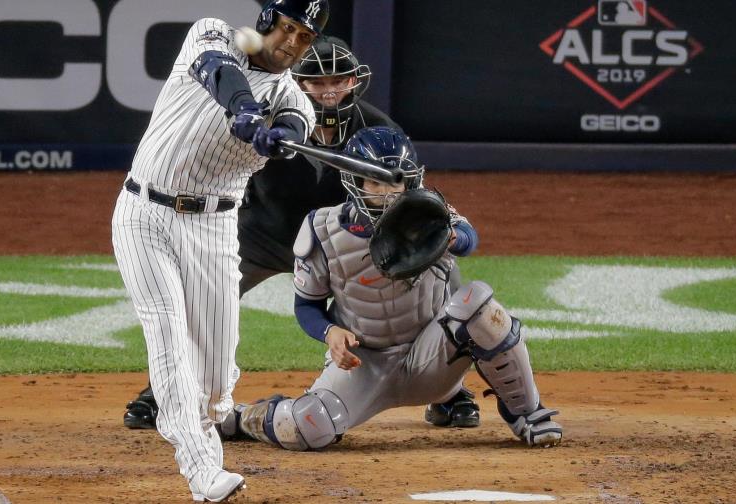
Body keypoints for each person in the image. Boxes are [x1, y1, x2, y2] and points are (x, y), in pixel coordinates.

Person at [123, 37, 481, 432]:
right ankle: (163, 391)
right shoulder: (271, 115)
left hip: (344, 240)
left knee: (436, 270)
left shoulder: (380, 129)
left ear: (354, 81)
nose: (329, 91)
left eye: (339, 80)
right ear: (297, 82)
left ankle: (451, 391)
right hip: (264, 233)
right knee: (200, 303)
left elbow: (408, 198)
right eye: (316, 82)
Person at [218, 126, 564, 452]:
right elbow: (306, 306)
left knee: (480, 306)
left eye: (395, 183)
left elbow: (469, 240)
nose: (387, 193)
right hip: (364, 365)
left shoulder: (431, 214)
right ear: (355, 181)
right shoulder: (321, 229)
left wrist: (448, 235)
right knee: (307, 426)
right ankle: (243, 419)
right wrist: (330, 332)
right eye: (375, 182)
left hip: (431, 359)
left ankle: (526, 413)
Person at [111, 1, 329, 501]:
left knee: (214, 386)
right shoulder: (211, 33)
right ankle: (202, 469)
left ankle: (204, 420)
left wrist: (280, 140)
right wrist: (244, 110)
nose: (292, 43)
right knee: (168, 337)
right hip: (145, 215)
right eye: (289, 29)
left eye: (305, 37)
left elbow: (294, 127)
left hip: (214, 228)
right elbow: (220, 72)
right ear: (268, 21)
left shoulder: (296, 101)